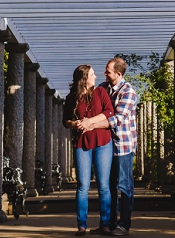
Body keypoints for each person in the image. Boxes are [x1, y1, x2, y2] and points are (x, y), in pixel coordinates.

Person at [76, 56, 138, 236]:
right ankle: (110, 224)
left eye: (108, 71)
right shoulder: (103, 88)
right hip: (107, 145)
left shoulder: (128, 92)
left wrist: (90, 124)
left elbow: (116, 119)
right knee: (109, 186)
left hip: (123, 146)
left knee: (125, 186)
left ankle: (124, 225)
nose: (104, 73)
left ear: (118, 74)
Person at [63, 64, 115, 236]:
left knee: (103, 186)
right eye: (92, 74)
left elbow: (109, 112)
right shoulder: (72, 97)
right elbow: (66, 120)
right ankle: (82, 225)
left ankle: (105, 224)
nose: (95, 76)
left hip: (102, 142)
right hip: (81, 143)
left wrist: (89, 122)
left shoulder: (101, 92)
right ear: (84, 78)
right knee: (82, 186)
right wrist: (75, 123)